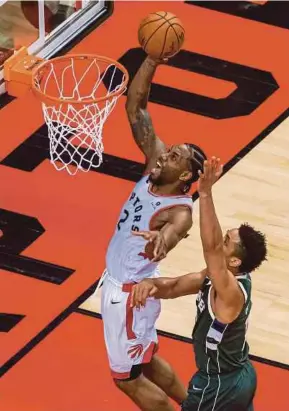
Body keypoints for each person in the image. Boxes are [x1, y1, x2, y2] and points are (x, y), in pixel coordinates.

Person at [100, 55, 207, 411]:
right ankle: (199, 406)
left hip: (131, 295)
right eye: (169, 151)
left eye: (174, 157)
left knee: (126, 379)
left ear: (186, 177)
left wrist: (162, 242)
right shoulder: (155, 165)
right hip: (130, 286)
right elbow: (135, 106)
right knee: (144, 360)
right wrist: (152, 60)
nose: (164, 156)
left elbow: (174, 234)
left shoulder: (179, 210)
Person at [130, 157, 268, 411]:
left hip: (219, 384)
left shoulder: (230, 291)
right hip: (239, 373)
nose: (220, 240)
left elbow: (211, 248)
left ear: (235, 260)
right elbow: (177, 285)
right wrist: (151, 284)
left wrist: (204, 194)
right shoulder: (216, 277)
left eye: (227, 241)